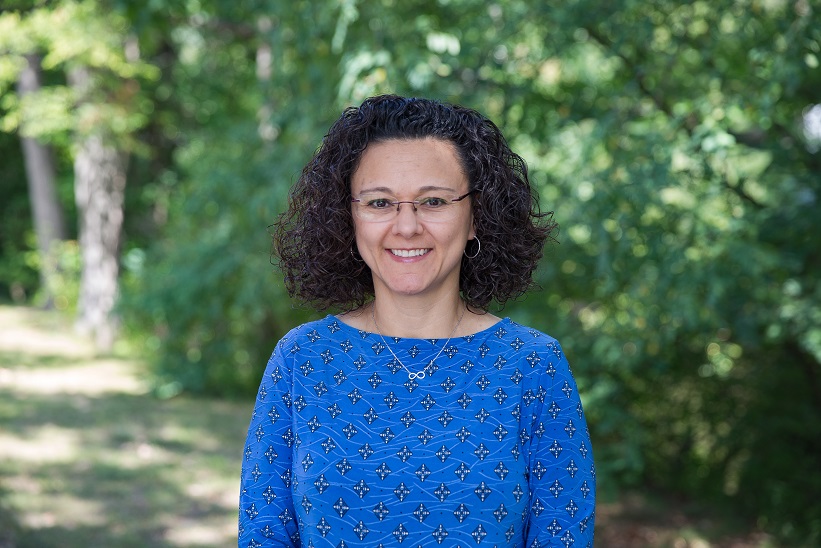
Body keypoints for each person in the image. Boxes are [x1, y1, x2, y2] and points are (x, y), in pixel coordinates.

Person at [238, 95, 595, 547]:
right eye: (380, 202)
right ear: (348, 217)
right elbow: (262, 534)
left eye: (433, 200)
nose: (406, 226)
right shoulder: (301, 360)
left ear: (474, 218)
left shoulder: (534, 366)